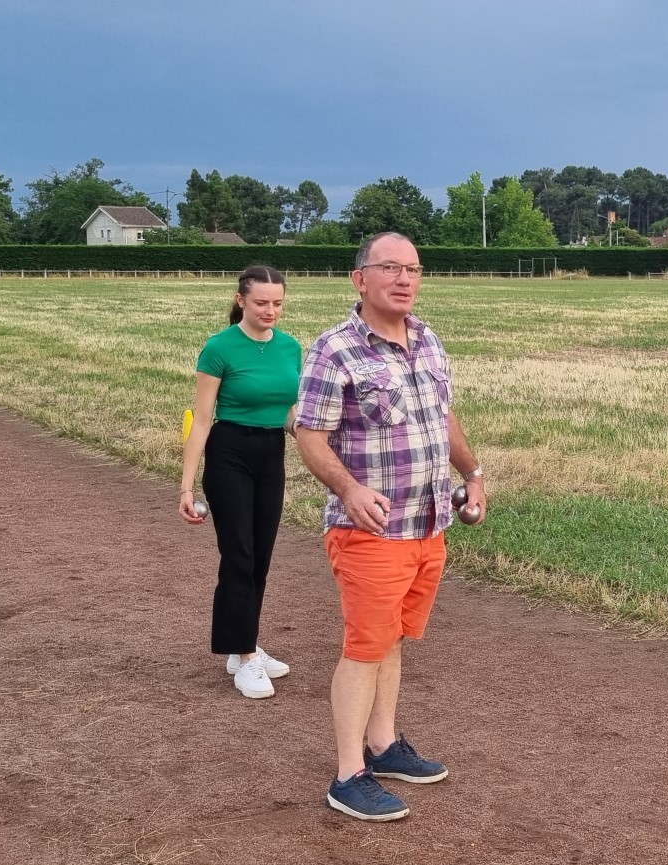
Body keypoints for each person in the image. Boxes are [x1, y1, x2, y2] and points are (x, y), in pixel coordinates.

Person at [294, 232, 487, 822]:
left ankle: (383, 746)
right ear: (360, 278)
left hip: (428, 526)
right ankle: (348, 774)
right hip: (371, 531)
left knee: (393, 641)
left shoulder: (428, 340)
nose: (404, 279)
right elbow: (308, 434)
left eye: (413, 269)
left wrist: (473, 473)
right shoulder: (336, 350)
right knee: (363, 648)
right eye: (390, 268)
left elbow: (442, 416)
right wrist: (348, 490)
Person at [179, 265, 302, 699]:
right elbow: (201, 420)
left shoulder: (290, 348)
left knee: (262, 555)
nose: (271, 310)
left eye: (278, 303)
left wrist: (316, 436)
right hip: (229, 451)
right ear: (241, 300)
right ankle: (245, 657)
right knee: (239, 554)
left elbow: (288, 411)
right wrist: (187, 486)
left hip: (271, 453)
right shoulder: (219, 348)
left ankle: (242, 643)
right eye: (261, 302)